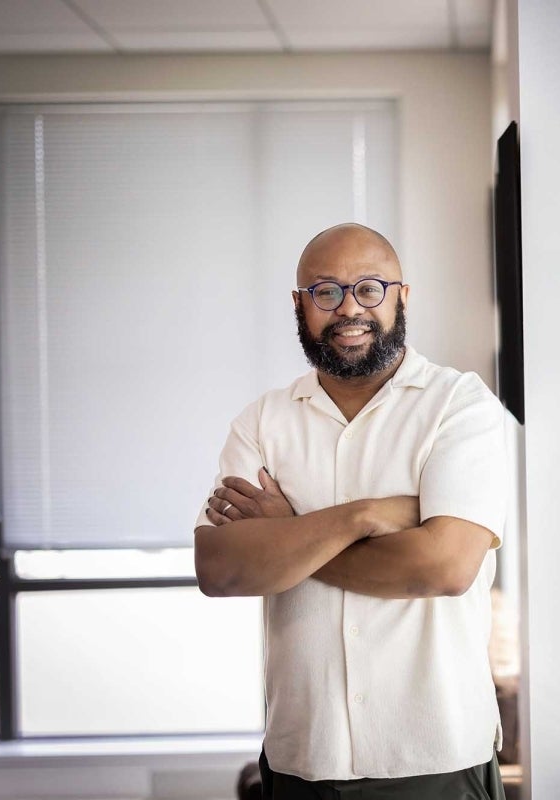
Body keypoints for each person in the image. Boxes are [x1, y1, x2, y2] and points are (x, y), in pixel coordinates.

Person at [194, 223, 508, 799]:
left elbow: (442, 569)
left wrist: (286, 537)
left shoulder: (461, 406)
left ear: (401, 297)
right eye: (326, 291)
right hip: (304, 756)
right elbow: (222, 571)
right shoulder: (263, 421)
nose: (349, 308)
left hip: (436, 760)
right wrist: (360, 518)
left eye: (369, 288)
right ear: (300, 304)